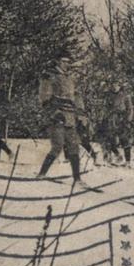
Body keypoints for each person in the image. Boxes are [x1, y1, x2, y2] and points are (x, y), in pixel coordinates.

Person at [37, 56, 85, 184]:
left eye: (68, 62)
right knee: (57, 146)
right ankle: (41, 174)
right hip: (56, 116)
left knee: (74, 147)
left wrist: (81, 113)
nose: (66, 64)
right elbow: (44, 97)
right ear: (58, 61)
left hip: (70, 117)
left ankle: (77, 178)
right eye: (64, 61)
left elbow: (77, 96)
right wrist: (54, 111)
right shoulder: (50, 76)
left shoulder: (70, 78)